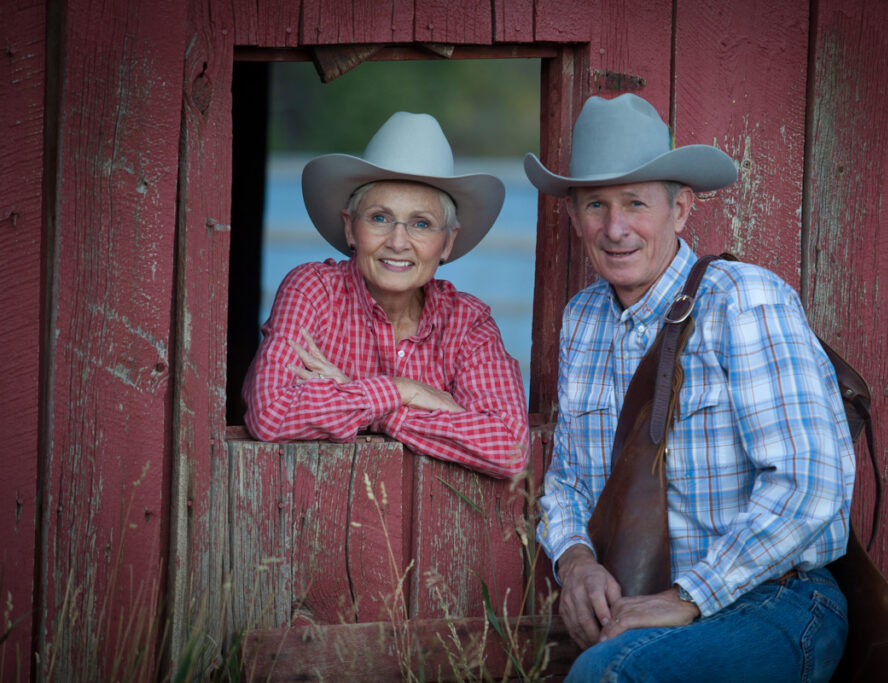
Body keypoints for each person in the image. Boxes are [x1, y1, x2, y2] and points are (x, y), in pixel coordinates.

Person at [524, 93, 856, 680]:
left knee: (611, 675)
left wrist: (690, 595)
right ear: (574, 217)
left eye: (635, 203)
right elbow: (568, 479)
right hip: (644, 610)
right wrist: (575, 562)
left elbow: (810, 483)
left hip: (774, 599)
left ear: (679, 210)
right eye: (596, 205)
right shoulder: (583, 320)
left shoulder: (743, 299)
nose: (615, 228)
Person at [243, 112, 529, 479]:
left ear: (447, 243)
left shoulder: (468, 322)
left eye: (421, 224)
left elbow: (510, 449)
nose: (397, 241)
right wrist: (403, 390)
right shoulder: (313, 290)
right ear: (351, 228)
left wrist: (365, 403)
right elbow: (271, 414)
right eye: (380, 218)